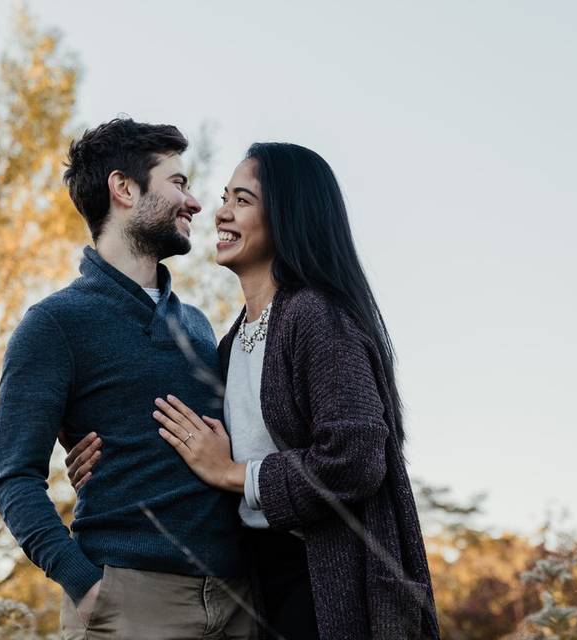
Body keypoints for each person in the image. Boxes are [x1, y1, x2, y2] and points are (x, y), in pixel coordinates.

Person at [66, 143, 442, 639]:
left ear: (287, 215)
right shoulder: (229, 342)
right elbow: (199, 449)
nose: (220, 210)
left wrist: (233, 472)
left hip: (325, 580)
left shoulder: (317, 318)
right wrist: (109, 469)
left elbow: (355, 458)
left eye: (241, 200)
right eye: (225, 197)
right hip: (253, 584)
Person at [0, 118, 256, 640]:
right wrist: (84, 586)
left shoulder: (201, 326)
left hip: (239, 600)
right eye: (178, 183)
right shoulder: (55, 323)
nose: (197, 203)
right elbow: (14, 478)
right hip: (130, 602)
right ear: (125, 189)